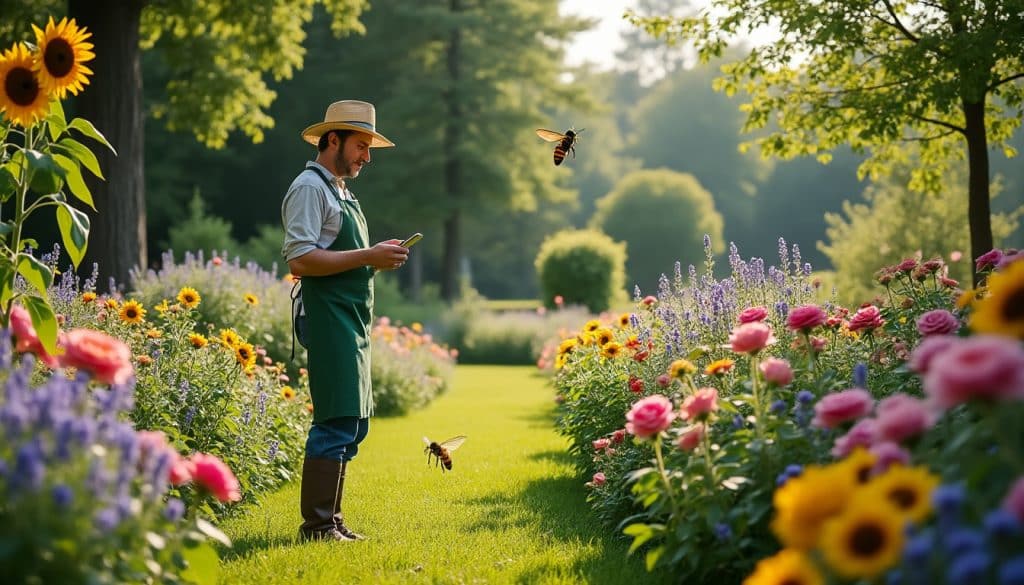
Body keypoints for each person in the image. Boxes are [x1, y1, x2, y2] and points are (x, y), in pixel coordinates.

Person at [281, 100, 409, 542]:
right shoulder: (309, 188)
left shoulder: (340, 190)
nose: (367, 157)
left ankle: (331, 521)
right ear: (332, 140)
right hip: (329, 321)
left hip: (352, 322)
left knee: (354, 423)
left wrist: (376, 258)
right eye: (361, 146)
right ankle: (317, 526)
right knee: (335, 421)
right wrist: (369, 255)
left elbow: (342, 257)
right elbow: (300, 259)